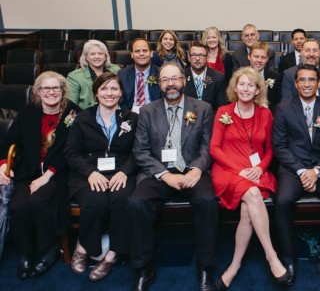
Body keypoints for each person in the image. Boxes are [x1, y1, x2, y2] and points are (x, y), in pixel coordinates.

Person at [127, 64, 219, 291]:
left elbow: (208, 146)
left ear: (184, 81)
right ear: (159, 84)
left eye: (175, 79)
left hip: (192, 170)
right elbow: (140, 151)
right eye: (165, 80)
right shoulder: (148, 111)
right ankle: (143, 267)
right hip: (159, 172)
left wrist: (197, 169)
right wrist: (164, 174)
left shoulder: (203, 107)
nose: (171, 84)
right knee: (136, 202)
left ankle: (206, 266)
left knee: (207, 202)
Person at [210, 67, 291, 289]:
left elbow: (271, 149)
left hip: (255, 170)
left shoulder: (265, 114)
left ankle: (234, 266)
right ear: (235, 87)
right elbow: (215, 149)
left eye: (251, 85)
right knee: (253, 193)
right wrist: (239, 170)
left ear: (257, 90)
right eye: (241, 84)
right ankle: (271, 255)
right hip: (228, 170)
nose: (245, 88)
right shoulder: (223, 112)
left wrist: (261, 168)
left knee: (247, 209)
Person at [0, 71, 81, 279]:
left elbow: (73, 150)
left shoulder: (73, 113)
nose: (51, 92)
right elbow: (8, 142)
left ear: (63, 90)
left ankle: (48, 248)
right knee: (17, 206)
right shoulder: (29, 112)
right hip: (28, 171)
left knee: (37, 202)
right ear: (38, 91)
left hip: (59, 173)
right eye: (46, 88)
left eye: (56, 88)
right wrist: (2, 164)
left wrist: (48, 175)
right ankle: (26, 252)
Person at [272, 64, 320, 286]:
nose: (306, 84)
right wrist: (303, 171)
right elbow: (279, 146)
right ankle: (289, 258)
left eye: (311, 80)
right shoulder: (283, 108)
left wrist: (317, 171)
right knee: (282, 200)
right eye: (302, 80)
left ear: (319, 83)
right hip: (293, 168)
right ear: (295, 84)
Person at [65, 72, 138, 281]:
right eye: (104, 88)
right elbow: (71, 152)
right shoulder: (82, 118)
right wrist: (90, 173)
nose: (109, 93)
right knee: (95, 201)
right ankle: (83, 247)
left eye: (114, 88)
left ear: (121, 93)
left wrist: (125, 171)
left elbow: (138, 151)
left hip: (121, 172)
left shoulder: (132, 118)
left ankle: (113, 254)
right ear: (96, 92)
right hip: (88, 172)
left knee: (122, 200)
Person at [281, 39, 320, 105]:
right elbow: (286, 104)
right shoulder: (289, 74)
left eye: (315, 50)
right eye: (308, 50)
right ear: (301, 52)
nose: (311, 54)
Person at [67, 39, 121, 109]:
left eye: (100, 53)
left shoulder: (117, 70)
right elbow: (72, 105)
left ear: (105, 57)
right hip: (86, 115)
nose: (97, 57)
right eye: (92, 54)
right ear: (86, 57)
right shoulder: (75, 76)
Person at [118, 38, 161, 112]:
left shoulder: (160, 73)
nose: (141, 54)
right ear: (132, 54)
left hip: (154, 114)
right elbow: (121, 100)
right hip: (130, 114)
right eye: (137, 51)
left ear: (151, 53)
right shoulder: (122, 74)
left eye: (145, 50)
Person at [184, 41, 227, 111]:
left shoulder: (219, 77)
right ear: (189, 58)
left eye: (201, 55)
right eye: (194, 55)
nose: (197, 58)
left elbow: (221, 107)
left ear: (207, 57)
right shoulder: (182, 77)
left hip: (210, 119)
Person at [248, 41, 282, 114]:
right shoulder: (240, 76)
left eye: (263, 57)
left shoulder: (276, 77)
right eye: (256, 56)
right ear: (249, 56)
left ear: (267, 59)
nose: (259, 60)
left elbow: (278, 104)